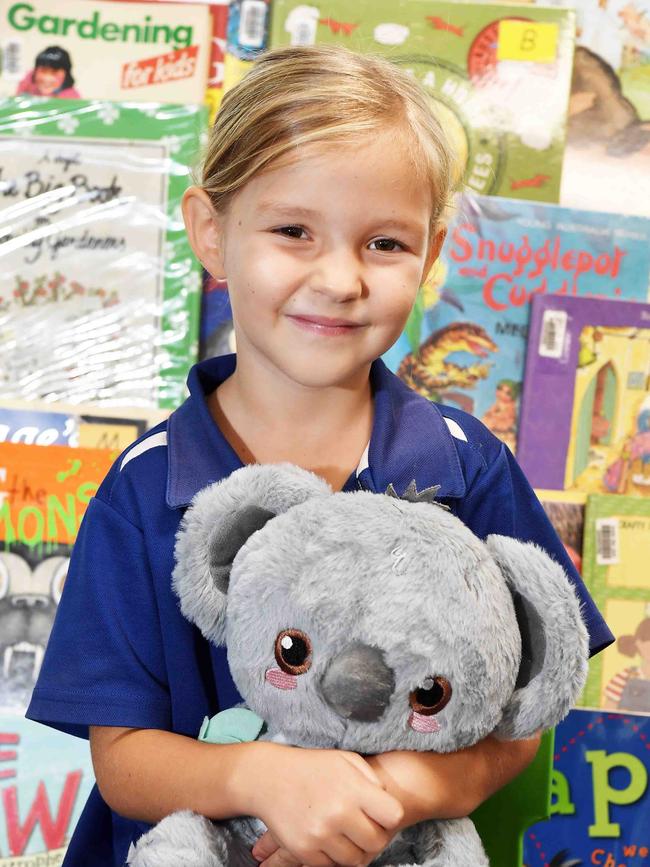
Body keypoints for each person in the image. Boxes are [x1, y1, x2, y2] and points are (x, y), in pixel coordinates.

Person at [27, 44, 614, 866]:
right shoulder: (146, 484)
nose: (340, 279)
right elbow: (123, 758)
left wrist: (403, 793)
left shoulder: (467, 464)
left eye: (384, 244)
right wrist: (262, 779)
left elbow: (527, 710)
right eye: (293, 231)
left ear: (431, 254)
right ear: (210, 230)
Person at [16, 46, 81, 98]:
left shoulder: (71, 97)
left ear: (65, 75)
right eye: (43, 71)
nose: (47, 78)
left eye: (54, 73)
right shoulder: (28, 81)